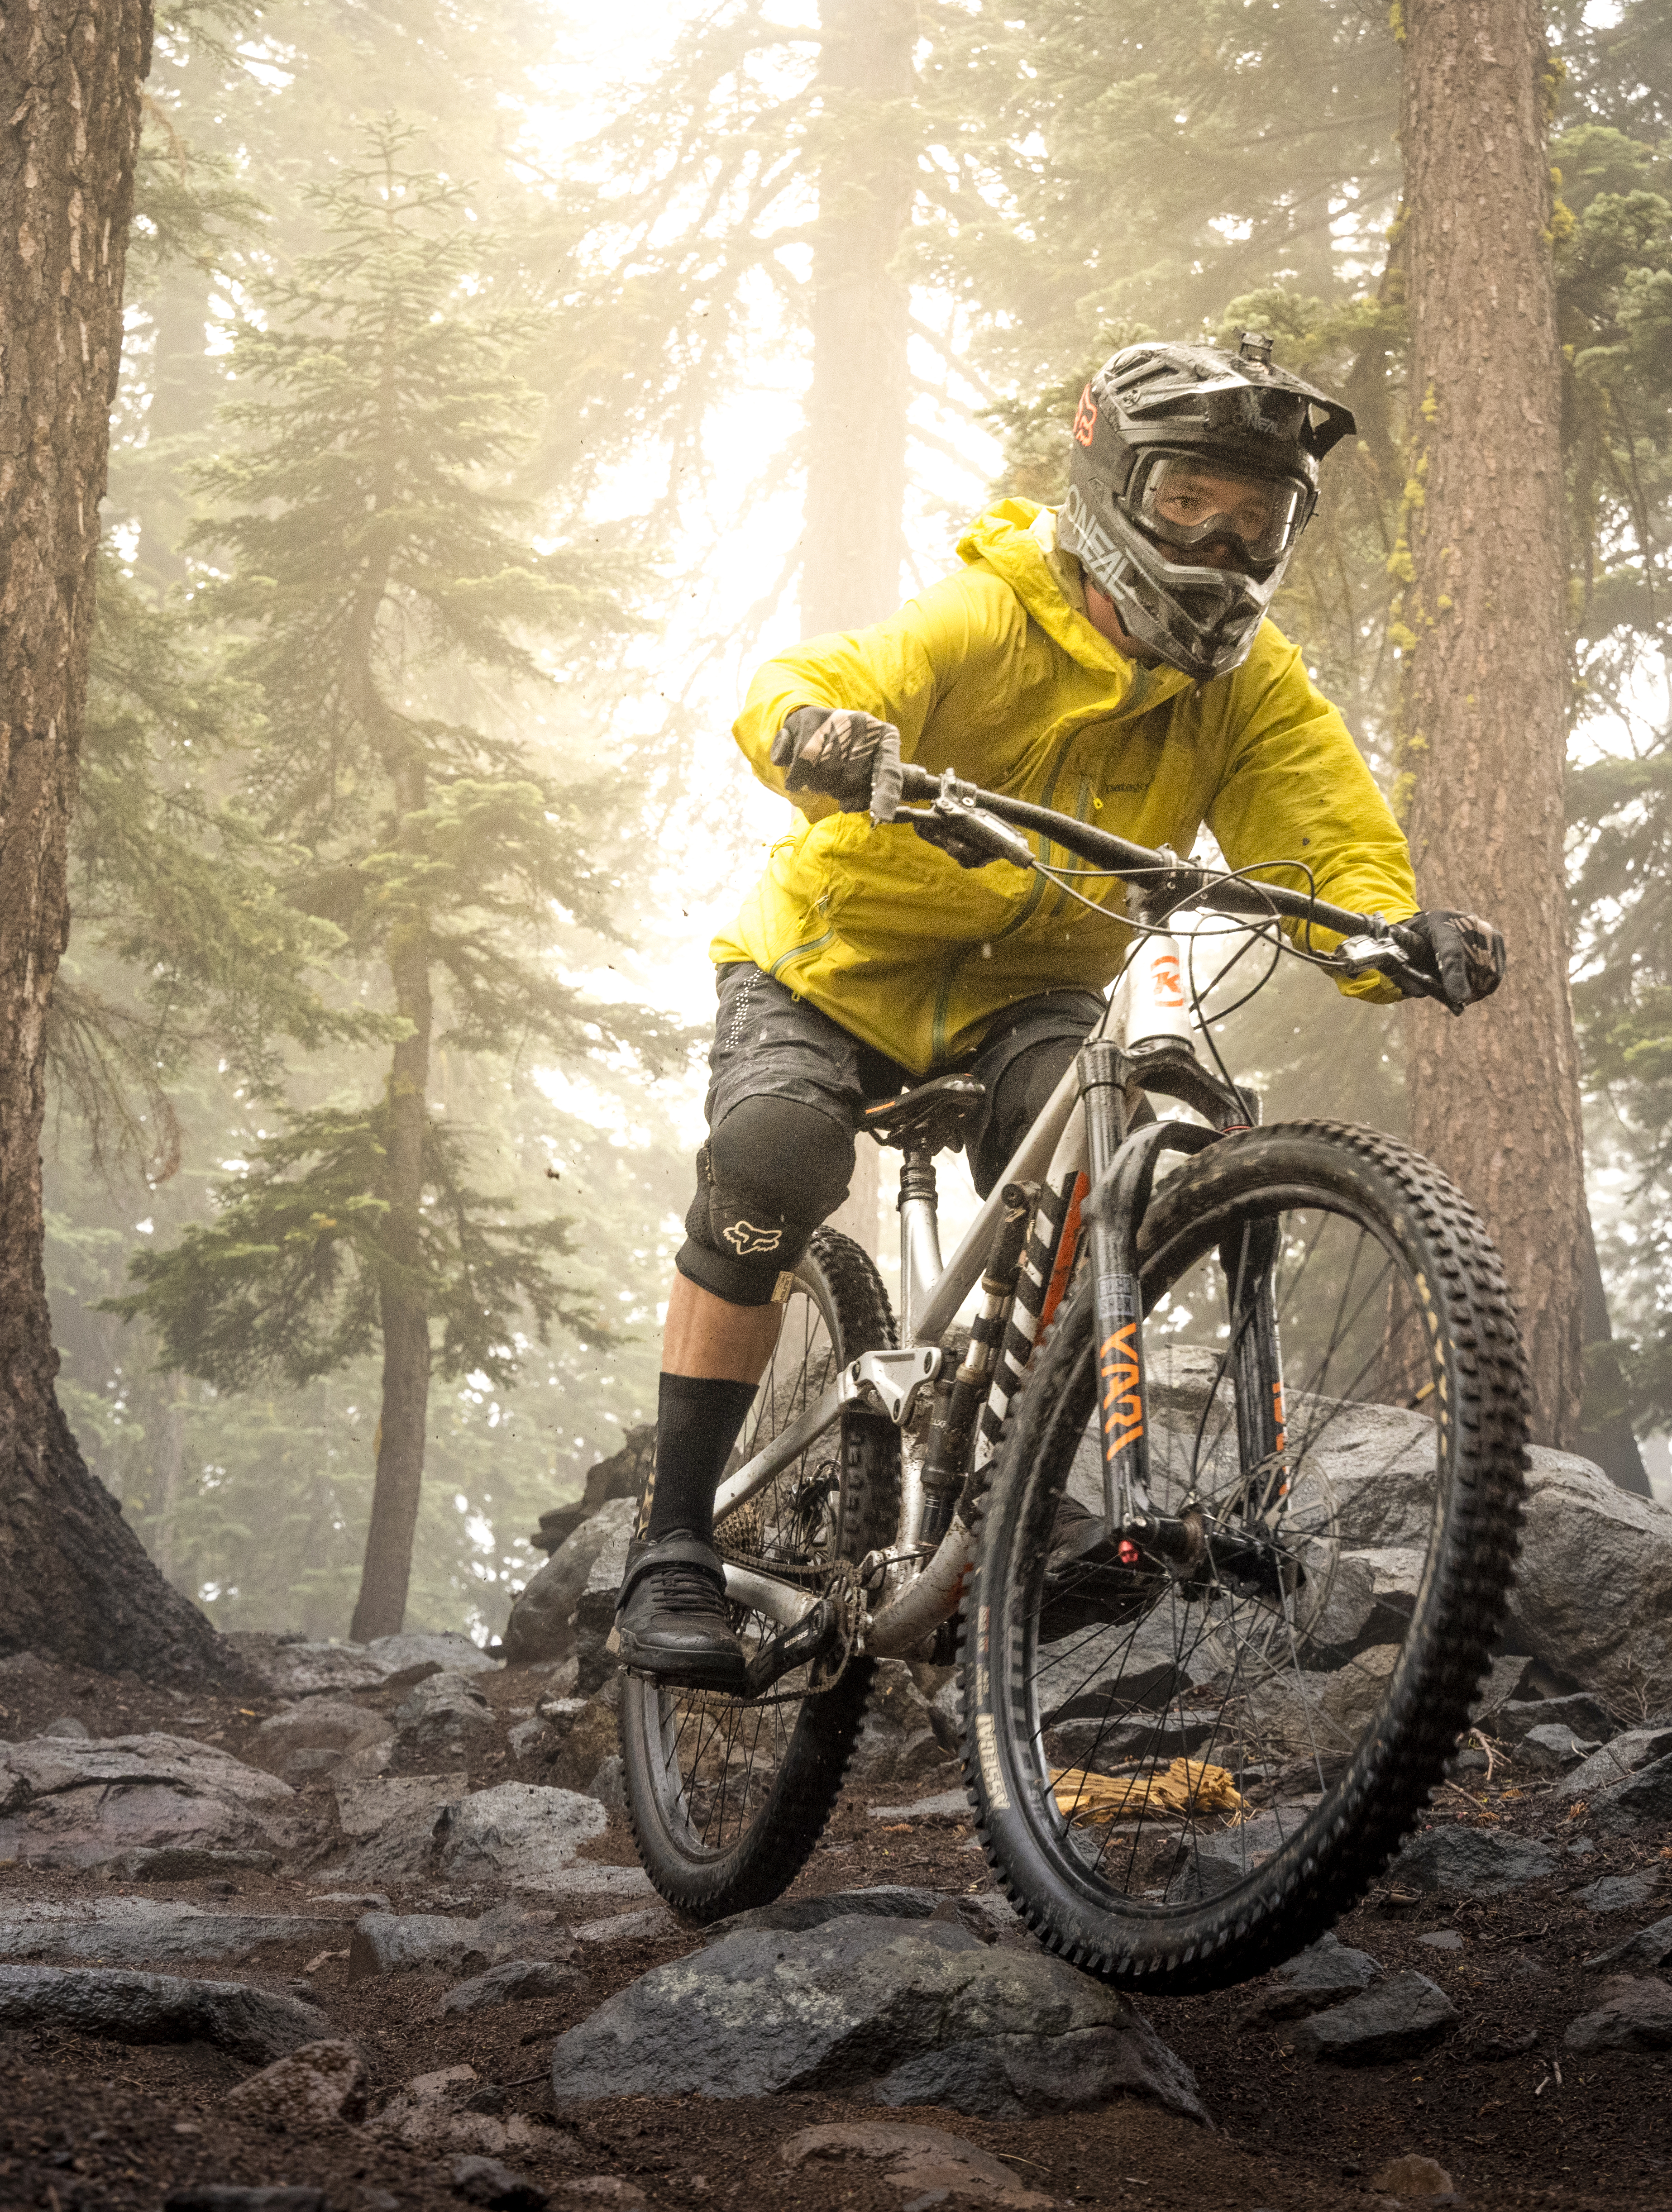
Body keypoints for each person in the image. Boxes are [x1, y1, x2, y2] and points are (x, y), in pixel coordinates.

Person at [616, 335, 1506, 1683]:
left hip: (1027, 995)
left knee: (1110, 1156)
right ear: (1109, 484)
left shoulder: (1252, 685)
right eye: (1188, 499)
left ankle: (1015, 1481)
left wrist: (1398, 938)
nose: (1222, 542)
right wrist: (819, 736)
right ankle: (674, 1540)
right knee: (775, 1160)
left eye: (1257, 518)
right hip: (833, 962)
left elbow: (1330, 843)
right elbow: (823, 678)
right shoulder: (992, 611)